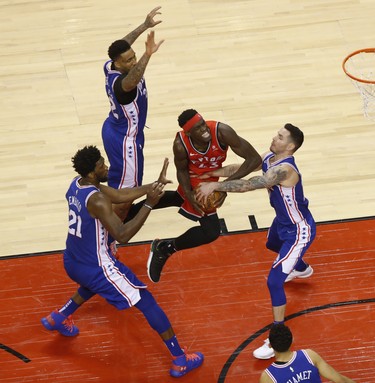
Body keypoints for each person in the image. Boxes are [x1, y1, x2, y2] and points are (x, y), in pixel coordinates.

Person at [40, 146, 203, 378]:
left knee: (92, 284)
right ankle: (180, 359)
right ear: (92, 172)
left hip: (73, 260)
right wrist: (149, 204)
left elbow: (118, 196)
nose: (106, 167)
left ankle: (58, 316)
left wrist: (152, 187)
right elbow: (123, 235)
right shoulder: (97, 200)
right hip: (96, 265)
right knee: (147, 303)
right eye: (101, 166)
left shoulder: (78, 184)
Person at [196, 123, 316, 359]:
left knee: (274, 282)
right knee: (271, 245)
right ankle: (301, 268)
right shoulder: (270, 157)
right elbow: (244, 167)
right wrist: (214, 173)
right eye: (276, 134)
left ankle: (276, 338)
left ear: (290, 146)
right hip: (282, 224)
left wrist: (215, 186)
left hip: (298, 230)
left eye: (280, 137)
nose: (274, 138)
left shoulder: (285, 170)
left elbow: (251, 184)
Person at [128, 108, 261, 283]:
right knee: (211, 230)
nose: (204, 129)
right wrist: (190, 193)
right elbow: (181, 170)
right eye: (198, 128)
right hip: (193, 180)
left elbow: (254, 159)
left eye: (203, 124)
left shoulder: (222, 132)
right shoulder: (180, 144)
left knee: (187, 207)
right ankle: (164, 247)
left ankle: (130, 214)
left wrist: (222, 185)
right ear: (189, 133)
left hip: (213, 177)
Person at [101, 6, 164, 220]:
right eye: (128, 61)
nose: (133, 62)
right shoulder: (123, 85)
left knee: (118, 177)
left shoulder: (110, 66)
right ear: (119, 63)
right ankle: (115, 226)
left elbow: (123, 45)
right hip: (126, 139)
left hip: (112, 128)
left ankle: (105, 208)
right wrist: (147, 55)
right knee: (128, 192)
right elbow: (133, 80)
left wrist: (144, 26)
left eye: (134, 57)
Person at [259, 324, 356, 383]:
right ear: (292, 340)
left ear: (270, 345)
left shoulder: (268, 377)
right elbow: (339, 380)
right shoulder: (309, 355)